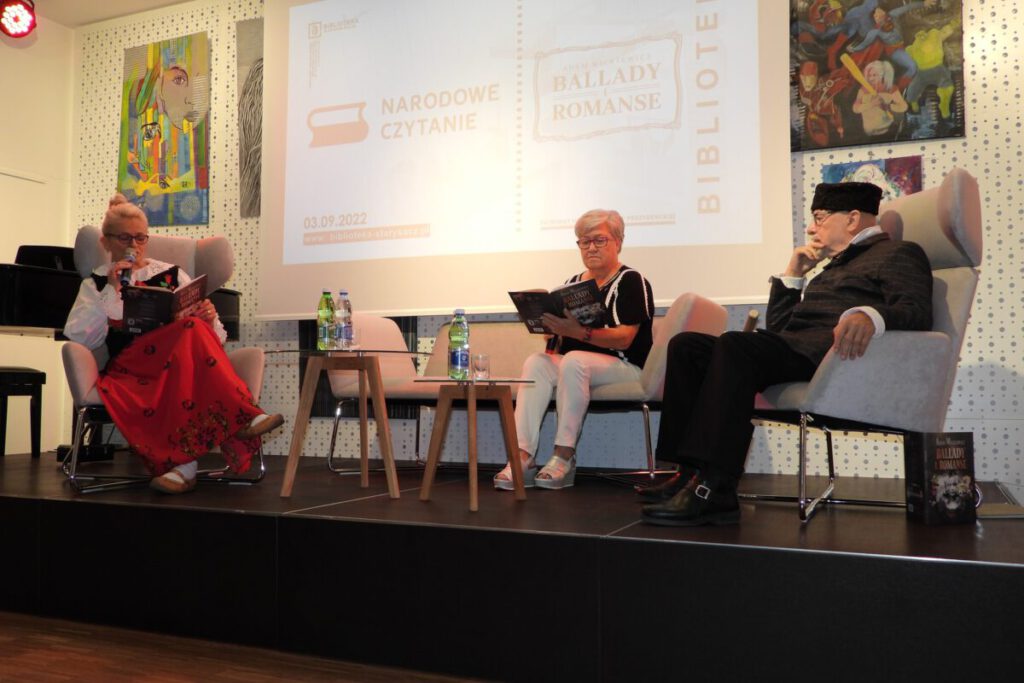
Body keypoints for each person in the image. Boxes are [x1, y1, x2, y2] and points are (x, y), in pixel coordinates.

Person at [638, 182, 932, 525]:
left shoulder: (898, 253)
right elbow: (781, 328)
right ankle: (688, 473)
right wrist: (793, 275)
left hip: (830, 359)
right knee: (687, 346)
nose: (812, 228)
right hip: (797, 349)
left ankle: (715, 489)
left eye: (820, 218)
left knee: (734, 345)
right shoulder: (831, 268)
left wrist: (869, 315)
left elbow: (916, 311)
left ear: (852, 219)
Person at [63, 194, 283, 494]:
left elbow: (216, 339)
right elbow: (81, 338)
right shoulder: (95, 284)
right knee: (189, 333)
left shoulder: (171, 274)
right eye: (125, 238)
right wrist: (111, 291)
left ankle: (184, 468)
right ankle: (242, 415)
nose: (134, 245)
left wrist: (209, 318)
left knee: (193, 328)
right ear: (106, 242)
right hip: (132, 368)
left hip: (178, 362)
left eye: (141, 237)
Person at [495, 209, 654, 491]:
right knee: (536, 362)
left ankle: (563, 456)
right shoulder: (572, 284)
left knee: (574, 360)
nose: (591, 247)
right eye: (584, 241)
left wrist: (578, 332)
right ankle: (522, 457)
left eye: (600, 240)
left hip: (625, 366)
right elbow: (560, 344)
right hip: (578, 364)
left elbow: (625, 339)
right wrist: (549, 327)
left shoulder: (631, 280)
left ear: (618, 242)